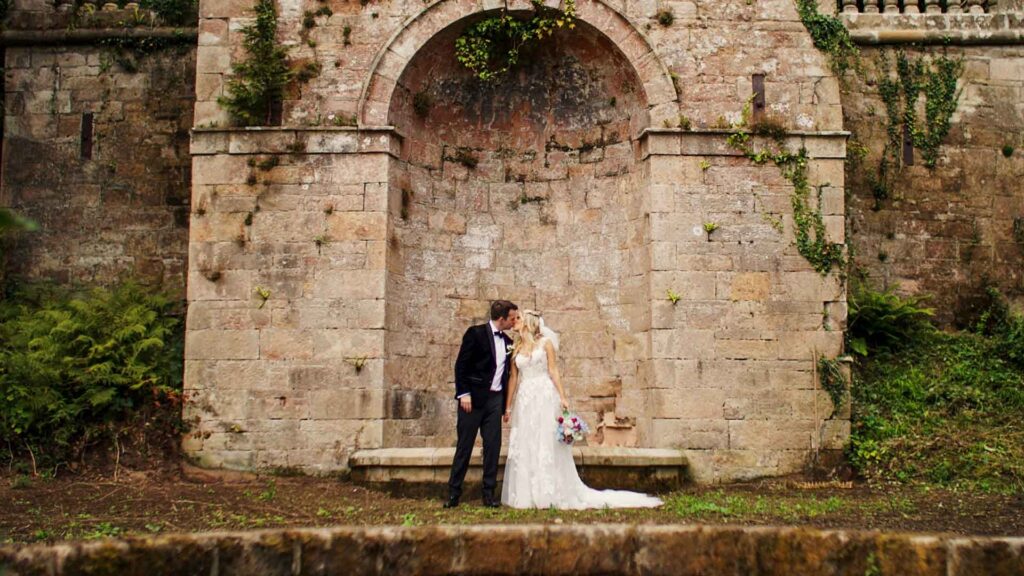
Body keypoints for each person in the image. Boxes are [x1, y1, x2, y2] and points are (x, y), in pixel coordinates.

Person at [501, 309, 663, 509]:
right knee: (528, 440)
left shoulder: (545, 344)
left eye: (518, 319)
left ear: (529, 322)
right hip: (525, 398)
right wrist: (508, 406)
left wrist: (562, 396)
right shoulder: (516, 347)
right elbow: (513, 378)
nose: (514, 321)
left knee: (546, 441)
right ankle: (528, 494)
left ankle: (548, 492)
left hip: (543, 395)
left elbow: (553, 371)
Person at [444, 300, 519, 508]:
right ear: (502, 318)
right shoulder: (475, 333)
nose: (514, 321)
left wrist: (506, 405)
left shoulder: (508, 341)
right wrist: (463, 394)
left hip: (495, 400)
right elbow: (461, 365)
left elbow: (508, 374)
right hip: (473, 400)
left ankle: (488, 494)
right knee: (464, 446)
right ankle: (453, 493)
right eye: (512, 318)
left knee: (493, 447)